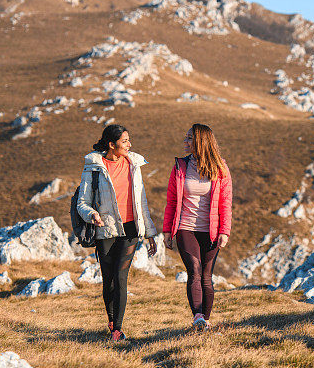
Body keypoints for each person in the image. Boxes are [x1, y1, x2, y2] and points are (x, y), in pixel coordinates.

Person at [76, 124, 157, 342]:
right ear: (112, 145)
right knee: (109, 279)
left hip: (130, 228)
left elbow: (142, 202)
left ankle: (117, 330)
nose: (129, 145)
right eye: (125, 141)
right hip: (106, 229)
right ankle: (111, 320)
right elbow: (82, 203)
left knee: (121, 277)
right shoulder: (93, 167)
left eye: (129, 140)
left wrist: (150, 233)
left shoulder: (134, 164)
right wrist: (92, 214)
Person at [162, 123, 232, 331]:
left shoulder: (220, 168)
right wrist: (167, 231)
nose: (185, 142)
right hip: (186, 227)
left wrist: (224, 232)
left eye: (189, 138)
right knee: (194, 271)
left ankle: (206, 321)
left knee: (207, 276)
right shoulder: (180, 166)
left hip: (211, 229)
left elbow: (226, 203)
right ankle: (198, 318)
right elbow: (172, 201)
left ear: (201, 141)